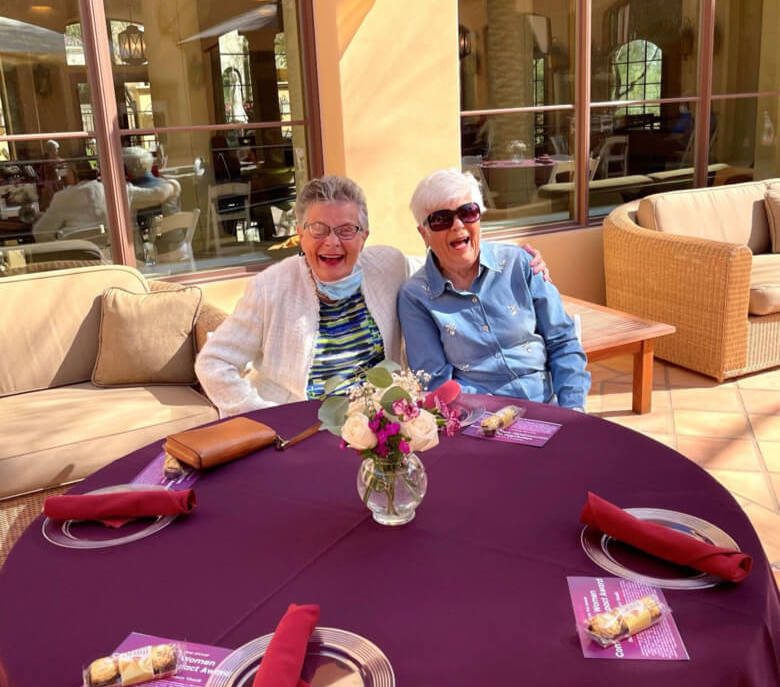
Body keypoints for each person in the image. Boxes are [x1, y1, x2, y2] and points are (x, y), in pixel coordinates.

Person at [195, 174, 552, 417]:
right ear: (300, 236)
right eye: (318, 229)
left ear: (365, 235)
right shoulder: (271, 287)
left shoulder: (388, 266)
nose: (332, 242)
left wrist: (517, 259)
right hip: (300, 432)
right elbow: (213, 364)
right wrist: (265, 418)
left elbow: (445, 261)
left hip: (382, 426)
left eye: (347, 230)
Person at [397, 168, 590, 410]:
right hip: (480, 419)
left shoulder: (520, 264)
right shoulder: (416, 296)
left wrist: (573, 410)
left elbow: (563, 343)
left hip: (547, 407)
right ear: (423, 233)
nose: (458, 226)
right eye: (441, 219)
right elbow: (436, 382)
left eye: (467, 212)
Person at [32, 158, 179, 243]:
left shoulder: (63, 198)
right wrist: (174, 183)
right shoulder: (117, 191)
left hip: (79, 262)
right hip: (115, 260)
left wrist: (61, 244)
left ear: (73, 174)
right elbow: (158, 195)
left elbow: (40, 233)